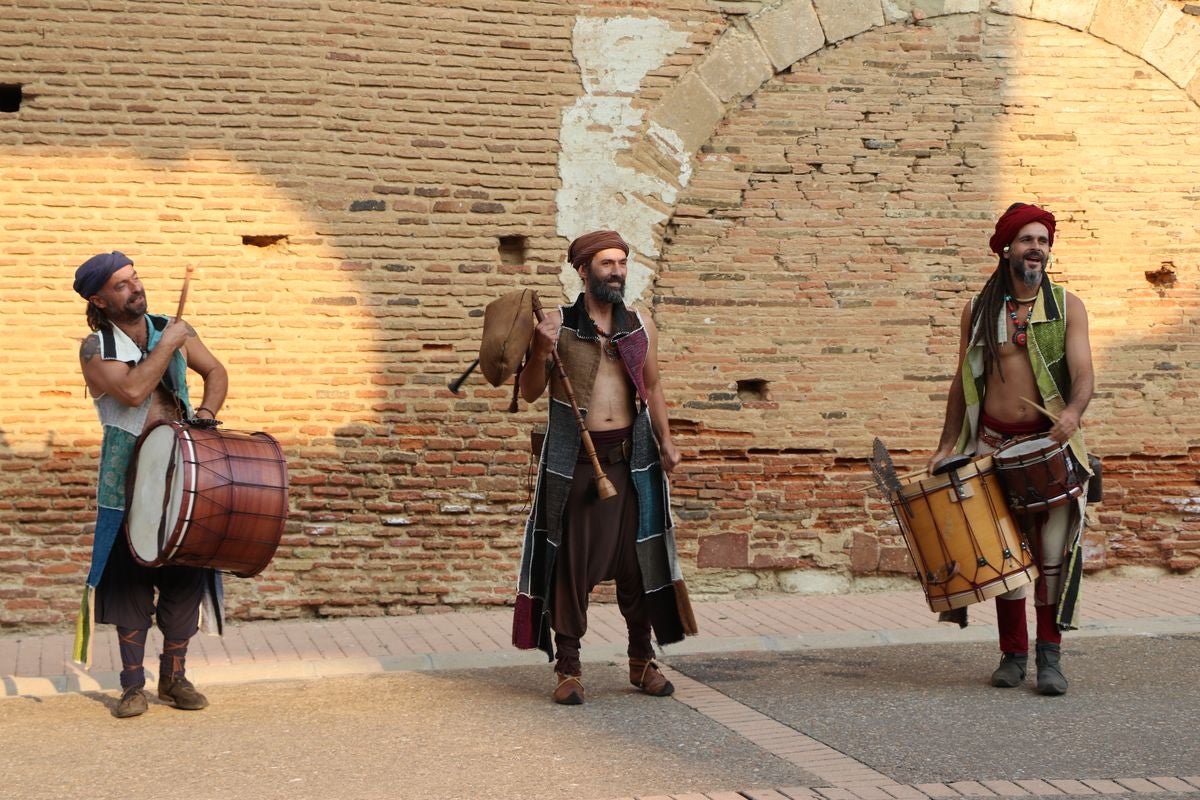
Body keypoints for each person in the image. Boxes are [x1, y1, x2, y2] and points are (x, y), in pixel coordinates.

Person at [512, 230, 696, 705]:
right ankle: (568, 667)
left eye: (621, 263)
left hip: (631, 462)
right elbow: (531, 392)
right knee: (570, 566)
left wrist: (667, 440)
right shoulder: (557, 325)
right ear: (582, 270)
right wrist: (538, 349)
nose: (616, 272)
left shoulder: (639, 326)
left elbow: (652, 388)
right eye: (605, 264)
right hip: (574, 463)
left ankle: (641, 660)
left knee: (639, 563)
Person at [927, 203, 1094, 695]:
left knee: (1051, 556)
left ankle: (1049, 657)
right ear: (1006, 249)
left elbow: (1084, 375)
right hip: (991, 446)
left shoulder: (1067, 307)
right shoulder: (980, 310)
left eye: (1043, 240)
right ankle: (1012, 655)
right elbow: (963, 380)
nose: (1036, 248)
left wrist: (1071, 414)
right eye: (1026, 240)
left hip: (1049, 447)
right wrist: (946, 444)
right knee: (1005, 556)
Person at [71, 251, 228, 718]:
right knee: (130, 578)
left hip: (183, 468)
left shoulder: (171, 328)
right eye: (121, 285)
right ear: (100, 299)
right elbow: (135, 390)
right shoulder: (95, 348)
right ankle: (132, 686)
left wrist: (205, 416)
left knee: (185, 572)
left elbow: (216, 372)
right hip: (126, 478)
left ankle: (175, 678)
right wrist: (170, 342)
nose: (135, 288)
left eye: (134, 278)